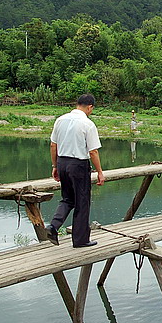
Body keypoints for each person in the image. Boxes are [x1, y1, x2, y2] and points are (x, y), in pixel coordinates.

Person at [46, 93, 105, 248]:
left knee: (67, 199)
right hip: (78, 165)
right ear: (90, 107)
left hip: (62, 162)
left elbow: (53, 145)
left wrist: (55, 166)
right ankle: (81, 240)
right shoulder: (87, 124)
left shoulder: (60, 120)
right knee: (82, 202)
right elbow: (93, 152)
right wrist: (99, 172)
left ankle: (53, 226)